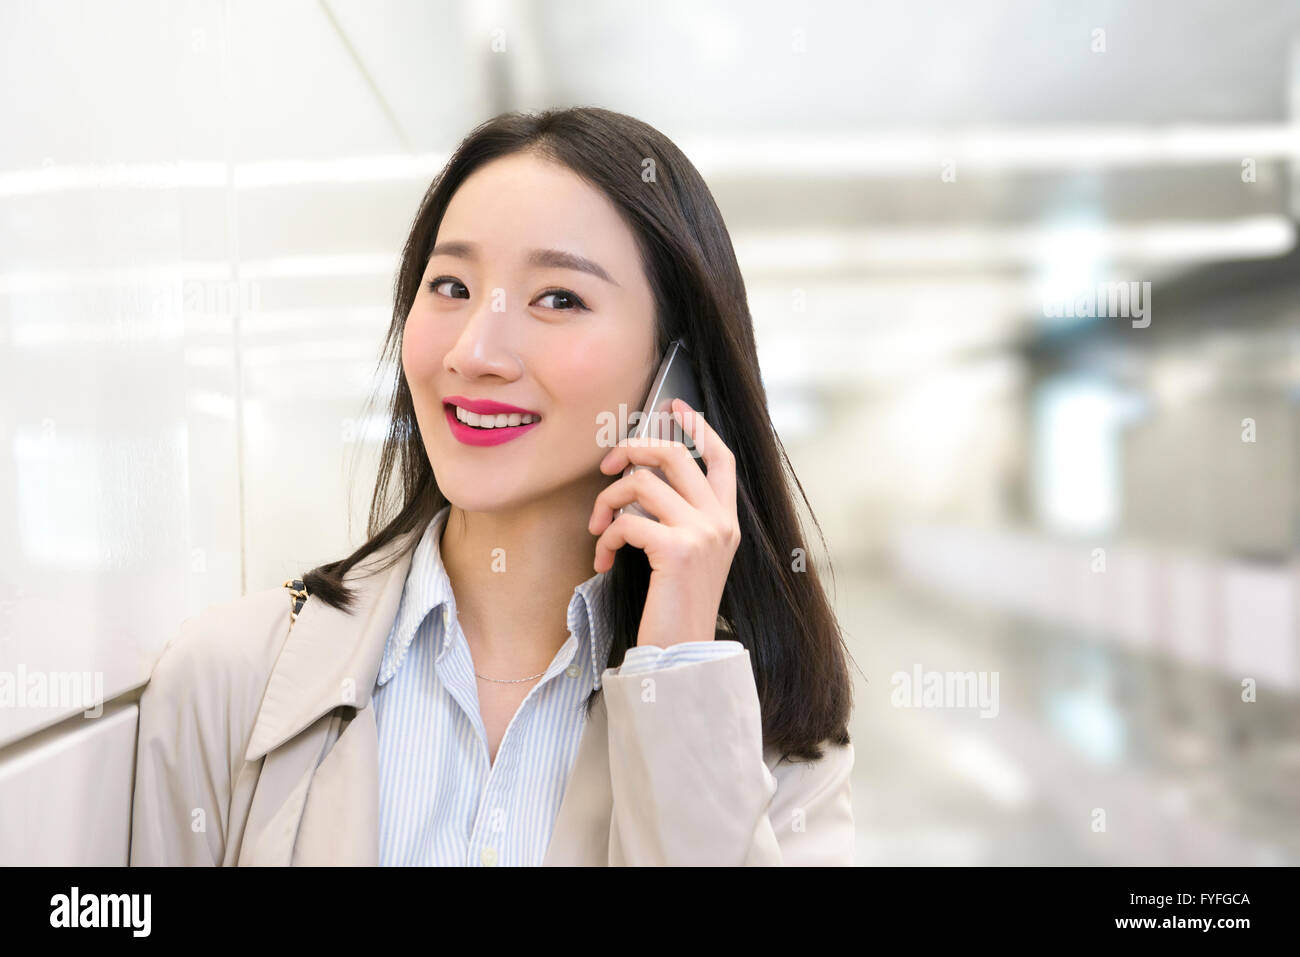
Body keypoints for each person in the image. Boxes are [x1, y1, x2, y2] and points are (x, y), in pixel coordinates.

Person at [129, 106, 856, 866]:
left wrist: (674, 671)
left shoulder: (773, 739)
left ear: (673, 373)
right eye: (450, 286)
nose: (476, 351)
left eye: (559, 298)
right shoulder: (226, 680)